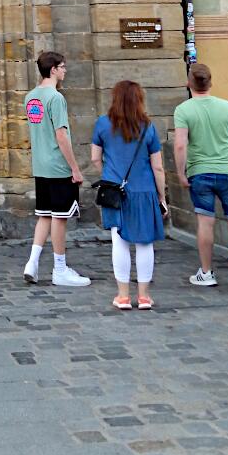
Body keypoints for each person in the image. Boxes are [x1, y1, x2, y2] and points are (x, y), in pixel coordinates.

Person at [91, 81, 166, 310]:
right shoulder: (148, 126)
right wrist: (162, 196)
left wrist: (109, 172)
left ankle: (123, 296)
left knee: (119, 242)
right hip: (144, 190)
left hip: (115, 190)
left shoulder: (103, 124)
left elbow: (95, 158)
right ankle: (144, 296)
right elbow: (158, 167)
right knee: (145, 244)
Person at [173, 62, 228, 286]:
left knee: (206, 222)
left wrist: (180, 172)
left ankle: (206, 273)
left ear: (189, 83)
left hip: (200, 172)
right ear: (210, 81)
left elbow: (179, 145)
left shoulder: (184, 109)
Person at [22, 51, 90, 287]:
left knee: (43, 215)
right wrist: (75, 168)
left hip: (40, 165)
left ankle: (32, 263)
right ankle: (60, 269)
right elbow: (61, 135)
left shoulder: (30, 98)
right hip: (57, 166)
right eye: (62, 67)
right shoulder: (56, 98)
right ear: (52, 69)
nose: (65, 70)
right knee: (59, 218)